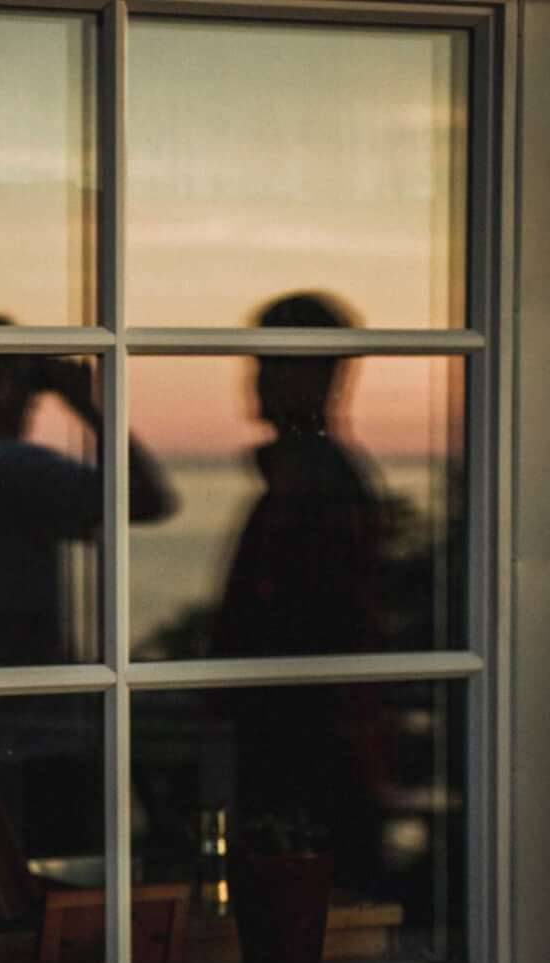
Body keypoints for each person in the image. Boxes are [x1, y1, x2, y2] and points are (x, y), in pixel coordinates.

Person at [0, 312, 175, 871]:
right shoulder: (14, 468)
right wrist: (87, 402)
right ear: (2, 384)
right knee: (62, 889)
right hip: (36, 736)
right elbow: (150, 498)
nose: (32, 402)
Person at [211, 290, 391, 893]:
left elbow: (312, 622)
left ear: (320, 376)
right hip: (301, 742)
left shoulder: (317, 489)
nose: (254, 379)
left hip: (304, 749)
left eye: (271, 362)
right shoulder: (309, 482)